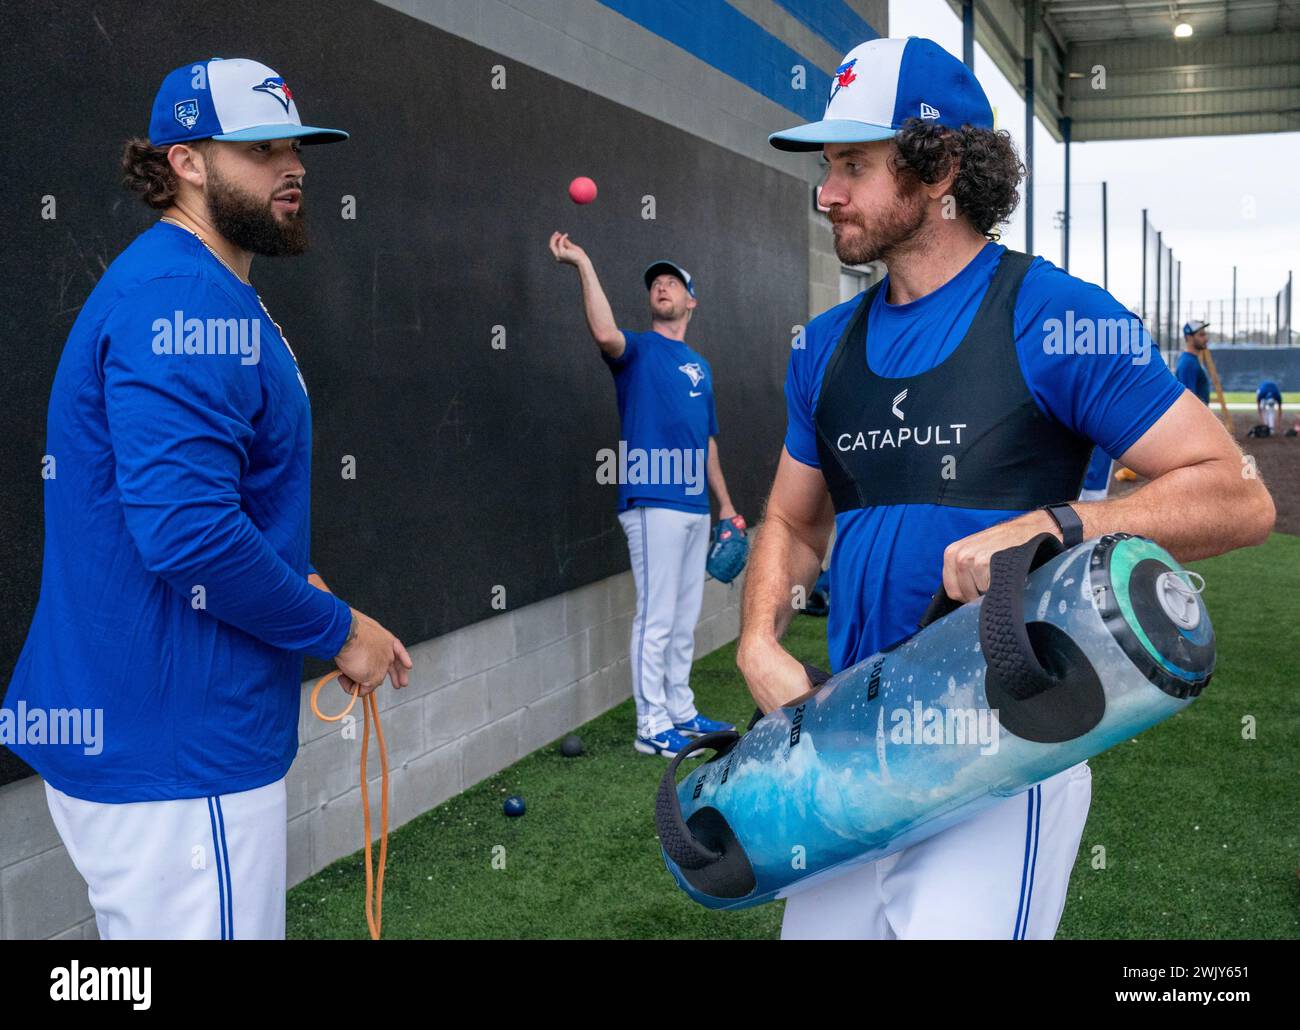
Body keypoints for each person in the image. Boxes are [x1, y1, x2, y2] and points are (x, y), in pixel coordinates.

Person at [740, 36, 1275, 939]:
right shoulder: (822, 344)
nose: (827, 191)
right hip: (841, 744)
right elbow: (790, 521)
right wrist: (758, 638)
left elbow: (1237, 491)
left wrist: (1054, 525)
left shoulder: (1055, 314)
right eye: (827, 166)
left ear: (940, 166)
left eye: (854, 166)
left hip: (999, 744)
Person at [0, 58, 412, 940]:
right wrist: (338, 632)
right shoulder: (182, 295)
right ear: (186, 161)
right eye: (261, 149)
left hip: (158, 733)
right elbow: (188, 536)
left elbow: (206, 504)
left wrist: (305, 588)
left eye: (296, 147)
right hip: (178, 751)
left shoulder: (195, 286)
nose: (292, 165)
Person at [550, 235, 739, 757]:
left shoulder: (699, 366)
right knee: (656, 618)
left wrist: (725, 505)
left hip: (696, 506)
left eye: (672, 282)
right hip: (652, 499)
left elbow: (706, 441)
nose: (662, 286)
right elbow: (604, 332)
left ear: (690, 301)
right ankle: (650, 725)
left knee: (683, 618)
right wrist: (585, 263)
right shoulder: (636, 349)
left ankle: (680, 709)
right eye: (656, 282)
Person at [1176, 320, 1212, 405]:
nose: (1206, 339)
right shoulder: (1188, 363)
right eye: (1201, 335)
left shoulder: (1192, 360)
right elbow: (1188, 401)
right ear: (1189, 338)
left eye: (1205, 334)